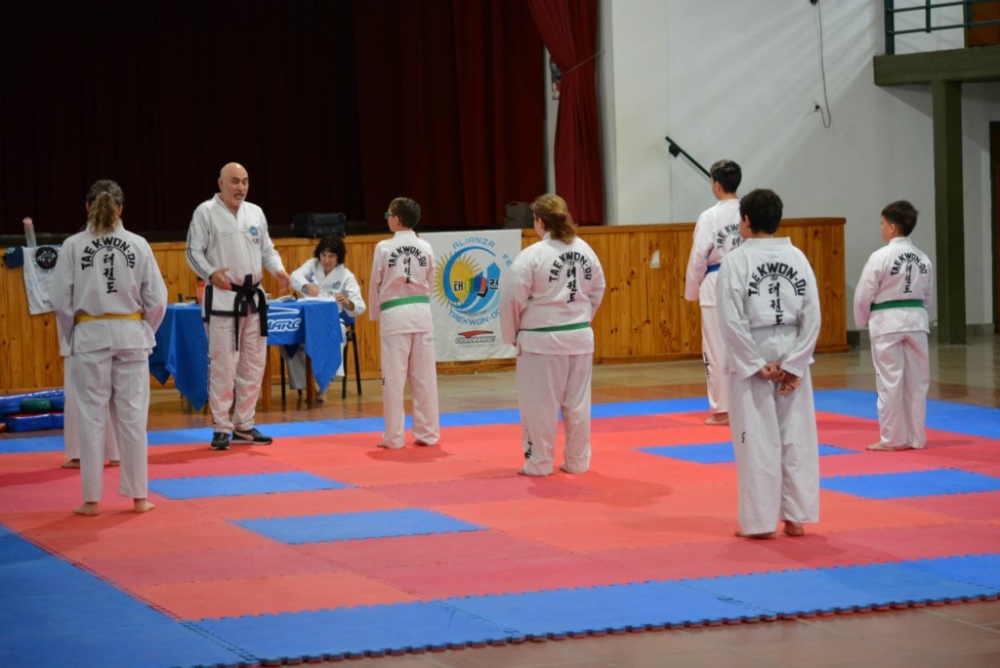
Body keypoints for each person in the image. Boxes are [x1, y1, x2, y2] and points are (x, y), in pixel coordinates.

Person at [51, 179, 168, 515]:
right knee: (133, 419)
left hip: (90, 335)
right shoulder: (138, 244)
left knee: (91, 418)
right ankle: (139, 498)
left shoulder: (73, 245)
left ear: (88, 207)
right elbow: (158, 300)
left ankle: (91, 500)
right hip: (131, 332)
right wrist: (145, 329)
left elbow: (61, 300)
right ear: (121, 208)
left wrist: (71, 335)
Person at [716, 189, 821, 539]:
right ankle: (796, 518)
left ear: (746, 220)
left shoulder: (736, 261)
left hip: (755, 347)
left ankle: (760, 523)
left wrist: (755, 364)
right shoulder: (798, 258)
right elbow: (813, 315)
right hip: (791, 343)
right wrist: (796, 363)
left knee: (756, 440)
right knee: (797, 437)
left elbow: (731, 320)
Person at [186, 162, 291, 451]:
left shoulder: (255, 212)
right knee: (224, 366)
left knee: (253, 365)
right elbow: (192, 252)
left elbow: (267, 249)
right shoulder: (205, 212)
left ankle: (244, 423)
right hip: (223, 298)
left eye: (245, 181)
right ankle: (221, 426)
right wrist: (210, 273)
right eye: (234, 181)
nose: (240, 187)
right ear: (220, 183)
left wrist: (278, 270)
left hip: (254, 296)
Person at [499, 194, 606, 476]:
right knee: (578, 405)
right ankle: (578, 462)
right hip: (579, 337)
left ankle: (538, 462)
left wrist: (513, 335)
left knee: (539, 407)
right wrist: (580, 318)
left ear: (540, 221)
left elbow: (511, 298)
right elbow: (598, 289)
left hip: (541, 342)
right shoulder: (585, 249)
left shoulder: (532, 255)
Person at [853, 200, 934, 452]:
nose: (881, 228)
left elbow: (864, 294)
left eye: (881, 224)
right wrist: (918, 314)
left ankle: (892, 439)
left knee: (890, 381)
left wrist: (863, 319)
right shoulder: (923, 258)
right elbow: (927, 295)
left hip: (887, 323)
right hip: (917, 321)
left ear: (891, 227)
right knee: (917, 382)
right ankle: (916, 438)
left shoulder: (880, 257)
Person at [367, 197, 439, 449]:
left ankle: (394, 437)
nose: (387, 218)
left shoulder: (383, 248)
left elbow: (375, 284)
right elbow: (430, 282)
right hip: (421, 313)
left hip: (394, 315)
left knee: (393, 379)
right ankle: (428, 433)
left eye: (388, 214)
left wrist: (376, 315)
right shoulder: (426, 247)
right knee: (424, 378)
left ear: (396, 219)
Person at [684, 159, 743, 426]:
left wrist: (691, 291)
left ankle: (721, 410)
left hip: (716, 281)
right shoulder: (749, 211)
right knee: (746, 343)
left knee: (716, 348)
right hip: (746, 279)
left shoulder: (710, 216)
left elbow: (699, 257)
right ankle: (748, 405)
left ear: (716, 185)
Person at [286, 234, 366, 399]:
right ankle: (307, 383)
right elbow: (294, 276)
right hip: (307, 319)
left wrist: (347, 302)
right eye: (323, 255)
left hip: (332, 320)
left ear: (338, 257)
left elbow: (359, 306)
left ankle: (325, 385)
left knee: (337, 335)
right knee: (290, 340)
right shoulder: (312, 265)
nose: (326, 260)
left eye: (331, 256)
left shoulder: (346, 276)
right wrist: (306, 285)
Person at [61, 354, 120, 468]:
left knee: (77, 394)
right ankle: (116, 454)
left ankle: (80, 455)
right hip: (118, 346)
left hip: (80, 346)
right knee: (110, 393)